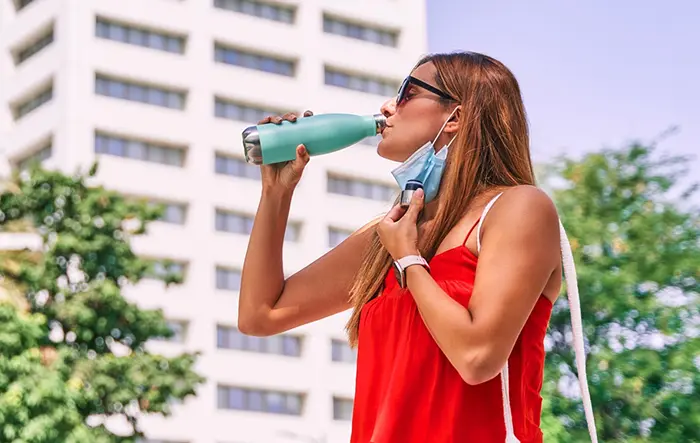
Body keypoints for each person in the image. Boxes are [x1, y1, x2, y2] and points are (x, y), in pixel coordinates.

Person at [238, 51, 596, 443]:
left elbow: (478, 358)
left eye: (407, 92)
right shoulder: (390, 235)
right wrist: (277, 192)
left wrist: (409, 261)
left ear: (456, 116)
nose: (387, 106)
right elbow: (261, 315)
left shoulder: (517, 208)